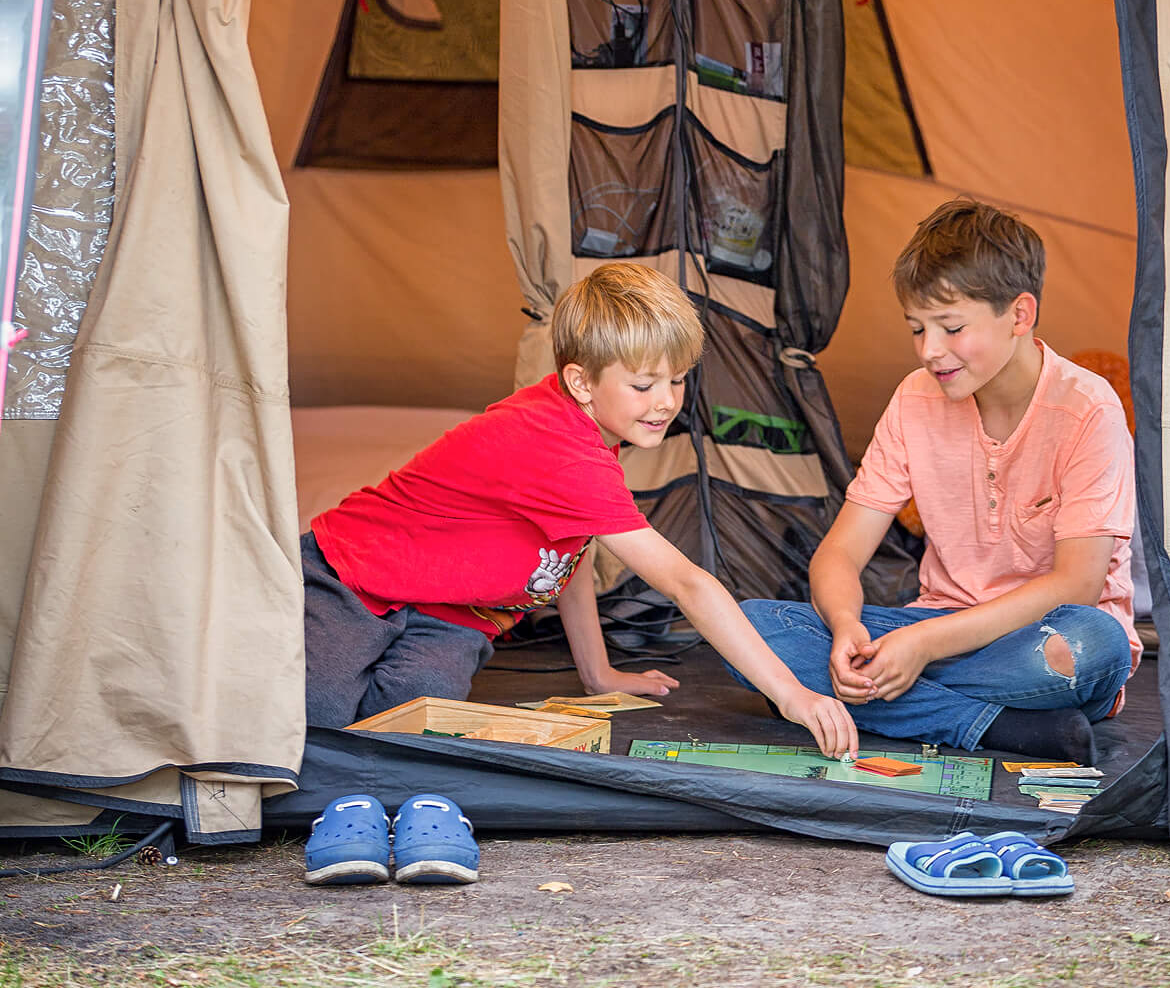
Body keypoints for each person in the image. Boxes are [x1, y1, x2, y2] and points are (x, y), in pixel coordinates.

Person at [302, 260, 858, 761]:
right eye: (643, 385)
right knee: (313, 720)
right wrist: (793, 695)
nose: (666, 401)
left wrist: (597, 673)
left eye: (678, 379)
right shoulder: (558, 449)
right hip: (352, 577)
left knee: (408, 730)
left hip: (450, 612)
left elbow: (568, 552)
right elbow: (688, 584)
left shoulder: (592, 427)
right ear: (581, 382)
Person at [739, 200, 1139, 765]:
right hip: (937, 622)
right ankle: (992, 725)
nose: (930, 350)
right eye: (917, 328)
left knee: (1093, 646)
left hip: (1042, 638)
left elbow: (1075, 584)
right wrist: (848, 626)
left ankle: (868, 697)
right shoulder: (914, 399)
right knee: (746, 628)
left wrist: (922, 647)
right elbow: (838, 555)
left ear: (1019, 315)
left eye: (952, 328)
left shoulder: (1088, 408)